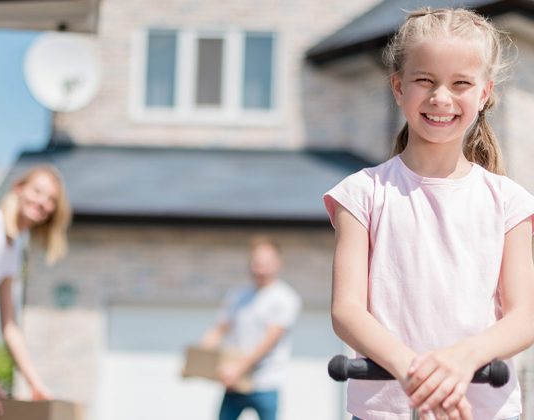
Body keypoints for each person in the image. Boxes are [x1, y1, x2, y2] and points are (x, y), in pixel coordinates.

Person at [323, 7, 534, 420]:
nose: (441, 97)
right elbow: (347, 311)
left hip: (482, 409)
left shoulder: (509, 201)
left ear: (485, 92)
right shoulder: (362, 194)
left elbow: (524, 316)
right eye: (425, 81)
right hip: (385, 411)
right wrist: (414, 373)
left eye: (460, 83)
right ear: (398, 87)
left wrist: (461, 361)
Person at [0, 165, 71, 418]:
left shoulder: (14, 247)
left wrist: (35, 383)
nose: (43, 202)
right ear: (19, 188)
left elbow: (10, 326)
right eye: (38, 191)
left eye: (51, 199)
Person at [200, 236, 301, 420]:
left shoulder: (285, 298)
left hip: (265, 383)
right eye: (256, 263)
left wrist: (238, 368)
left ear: (277, 264)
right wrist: (200, 355)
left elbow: (268, 343)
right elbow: (219, 329)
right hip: (235, 384)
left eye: (265, 263)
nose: (260, 268)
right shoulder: (239, 295)